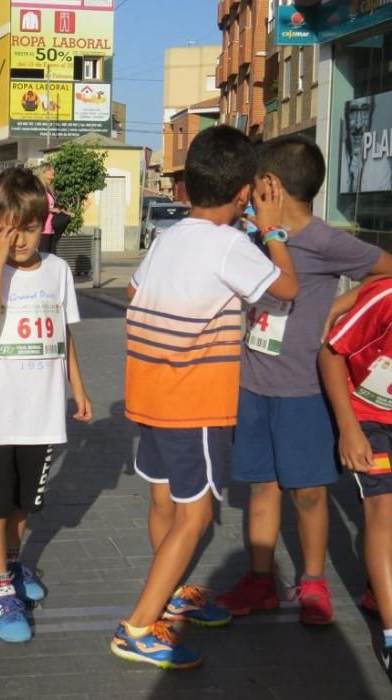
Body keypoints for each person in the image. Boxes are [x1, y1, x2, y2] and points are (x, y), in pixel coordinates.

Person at [114, 125, 299, 669]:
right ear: (244, 193)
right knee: (195, 517)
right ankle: (139, 626)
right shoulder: (232, 246)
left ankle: (167, 594)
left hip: (148, 392)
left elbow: (132, 292)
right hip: (192, 400)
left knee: (163, 501)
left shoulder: (171, 237)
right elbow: (285, 290)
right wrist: (274, 233)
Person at [216, 134, 392, 626]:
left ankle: (312, 581)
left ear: (269, 184)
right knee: (261, 487)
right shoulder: (250, 239)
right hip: (253, 384)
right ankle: (259, 580)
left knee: (310, 491)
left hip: (305, 391)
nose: (248, 192)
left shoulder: (326, 239)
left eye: (253, 183)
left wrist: (337, 311)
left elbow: (386, 273)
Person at [0, 168, 93, 643]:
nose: (17, 237)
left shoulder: (58, 271)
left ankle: (15, 567)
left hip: (42, 415)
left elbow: (64, 334)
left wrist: (78, 388)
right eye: (6, 227)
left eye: (27, 225)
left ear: (44, 223)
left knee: (24, 505)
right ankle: (0, 590)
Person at [320, 278, 392, 684]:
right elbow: (331, 353)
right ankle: (391, 637)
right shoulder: (386, 299)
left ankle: (375, 590)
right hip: (368, 415)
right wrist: (349, 428)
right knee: (383, 508)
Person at [37, 163, 69, 255]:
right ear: (43, 173)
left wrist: (63, 211)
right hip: (43, 229)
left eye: (53, 169)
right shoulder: (39, 188)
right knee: (44, 257)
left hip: (51, 228)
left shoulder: (50, 189)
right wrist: (51, 210)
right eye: (50, 169)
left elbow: (53, 206)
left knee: (52, 256)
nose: (53, 171)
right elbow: (36, 206)